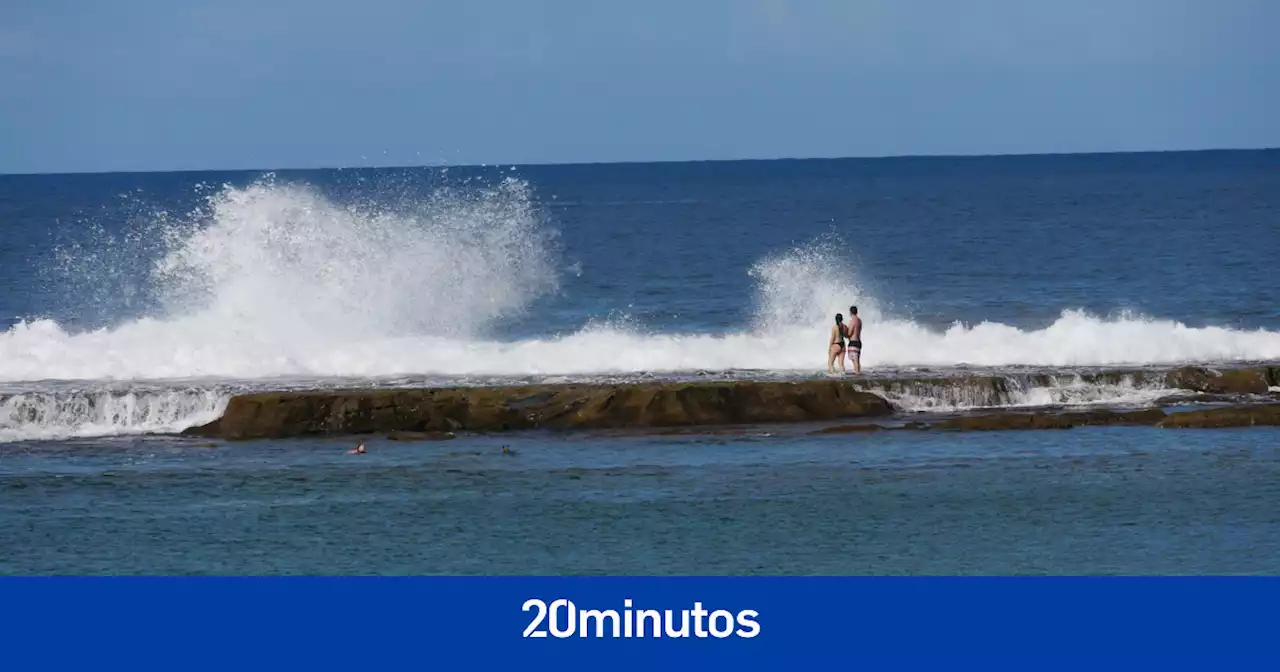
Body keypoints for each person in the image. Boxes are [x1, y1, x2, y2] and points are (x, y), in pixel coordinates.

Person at [845, 305, 863, 375]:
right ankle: (858, 373)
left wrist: (843, 333)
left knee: (855, 361)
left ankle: (857, 374)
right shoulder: (859, 320)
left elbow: (849, 333)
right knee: (857, 360)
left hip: (853, 342)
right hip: (858, 341)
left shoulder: (852, 321)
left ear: (850, 313)